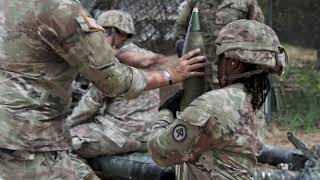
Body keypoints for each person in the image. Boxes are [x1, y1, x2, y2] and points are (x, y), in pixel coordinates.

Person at [0, 1, 205, 179]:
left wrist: (169, 76)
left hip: (34, 138)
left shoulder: (13, 7)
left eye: (107, 32)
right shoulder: (141, 55)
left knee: (72, 144)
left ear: (119, 34)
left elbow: (100, 94)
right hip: (146, 132)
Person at [148, 19, 288, 180]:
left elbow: (160, 153)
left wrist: (165, 114)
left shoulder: (212, 104)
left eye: (220, 58)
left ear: (233, 63)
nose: (216, 64)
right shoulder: (255, 101)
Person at [68, 10, 168, 180]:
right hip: (146, 134)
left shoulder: (111, 60)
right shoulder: (145, 56)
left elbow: (90, 104)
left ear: (114, 32)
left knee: (56, 146)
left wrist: (67, 125)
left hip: (119, 134)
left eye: (102, 32)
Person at [175, 0, 264, 91]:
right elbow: (180, 26)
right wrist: (180, 42)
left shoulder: (247, 2)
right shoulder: (194, 2)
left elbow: (259, 31)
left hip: (234, 75)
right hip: (200, 75)